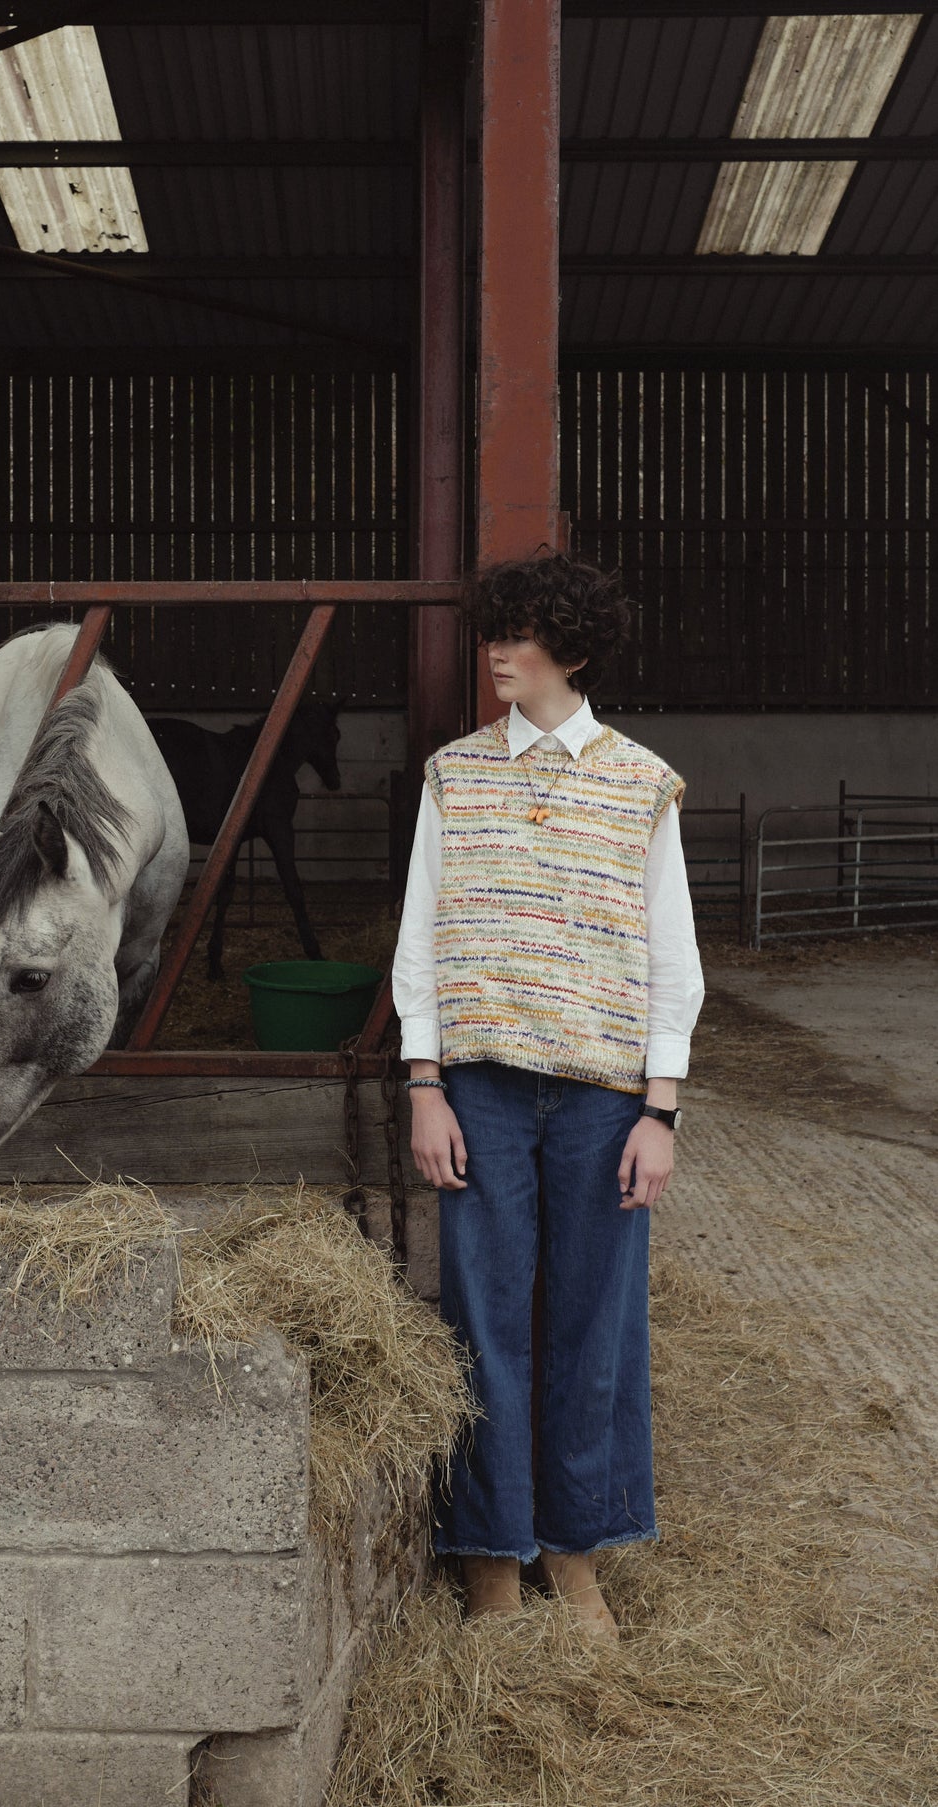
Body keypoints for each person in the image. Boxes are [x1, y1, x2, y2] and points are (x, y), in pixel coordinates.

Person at [391, 552, 704, 1638]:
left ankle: (573, 1550)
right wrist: (423, 1085)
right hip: (475, 1087)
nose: (495, 652)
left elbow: (675, 965)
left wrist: (658, 1111)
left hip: (601, 1101)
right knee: (480, 1316)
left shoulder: (640, 784)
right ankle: (487, 1550)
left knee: (591, 1323)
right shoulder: (451, 777)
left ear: (568, 649)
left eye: (517, 636)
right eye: (491, 633)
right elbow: (417, 944)